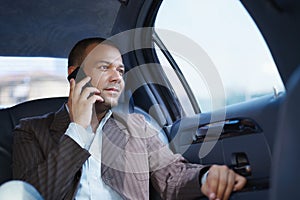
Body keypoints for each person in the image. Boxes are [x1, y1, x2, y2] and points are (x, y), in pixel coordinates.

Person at [11, 37, 246, 200]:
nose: (117, 78)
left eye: (121, 71)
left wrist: (207, 177)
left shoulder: (137, 127)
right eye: (105, 68)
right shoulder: (30, 130)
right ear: (75, 75)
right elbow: (33, 194)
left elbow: (172, 177)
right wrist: (78, 130)